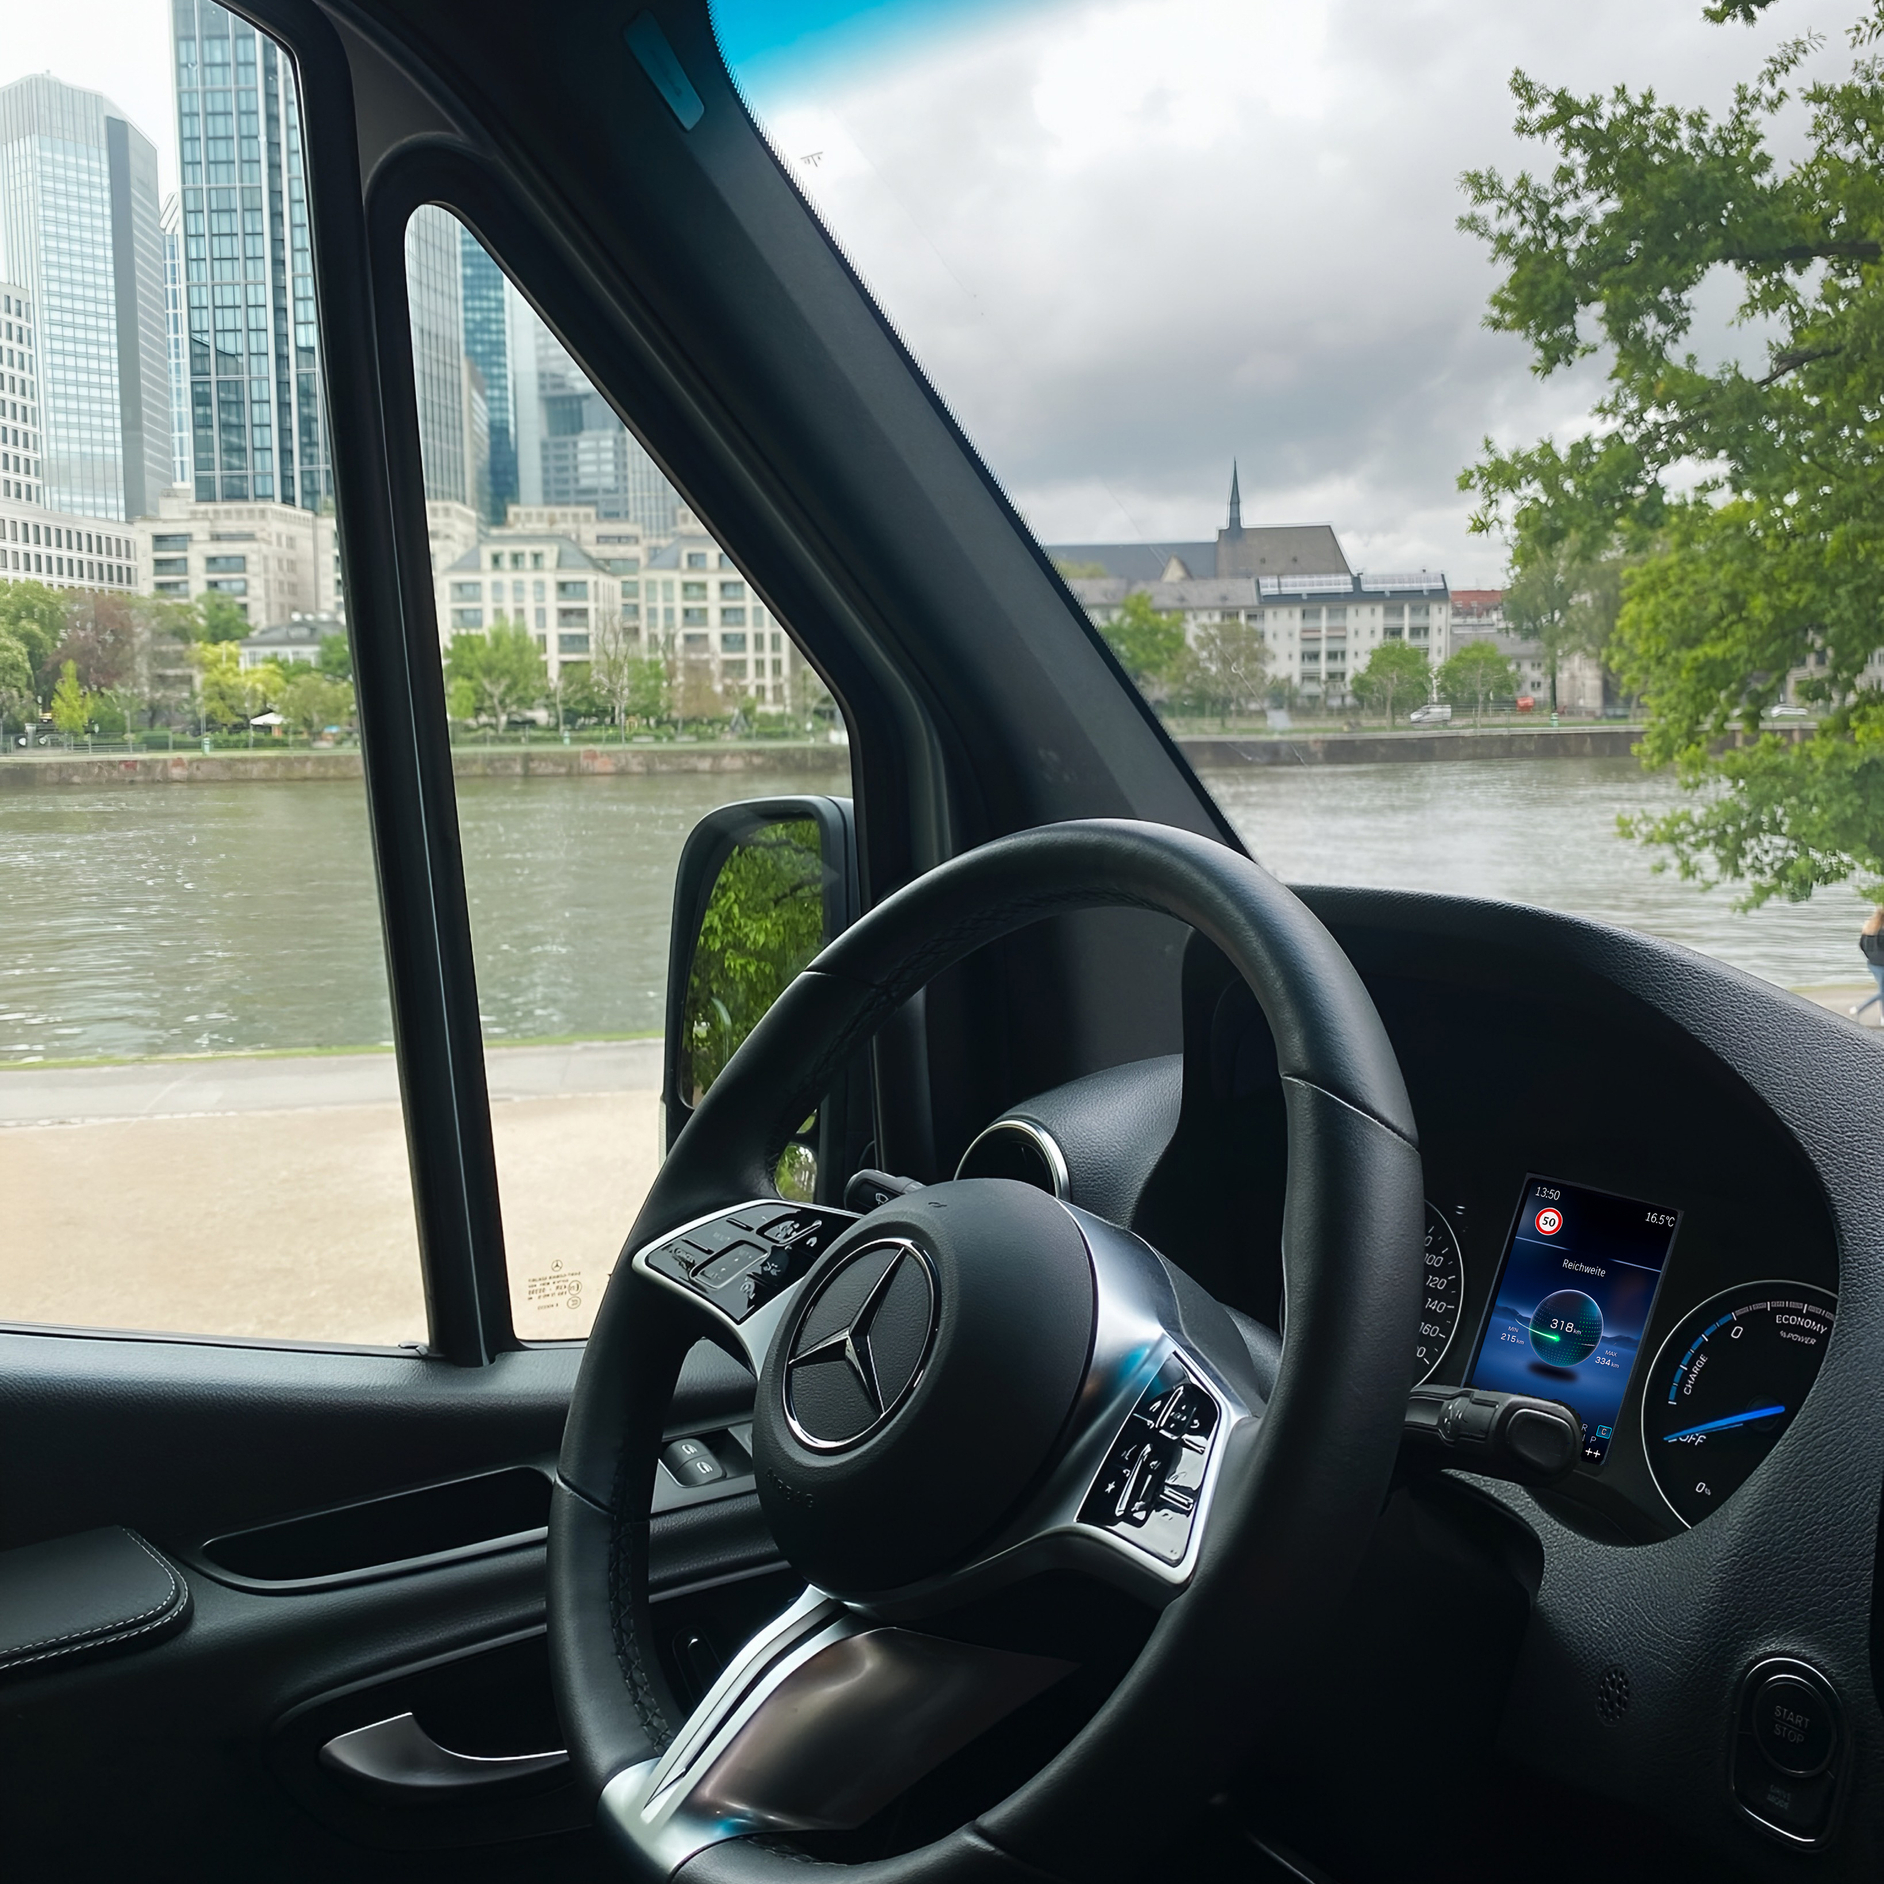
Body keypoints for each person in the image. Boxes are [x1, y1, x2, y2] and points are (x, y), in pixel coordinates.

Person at [1853, 906, 1884, 1025]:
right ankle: (1859, 1009)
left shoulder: (1870, 928)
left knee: (1883, 990)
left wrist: (1870, 956)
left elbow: (1862, 945)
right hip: (1882, 964)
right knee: (1883, 992)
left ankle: (1883, 1018)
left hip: (1873, 964)